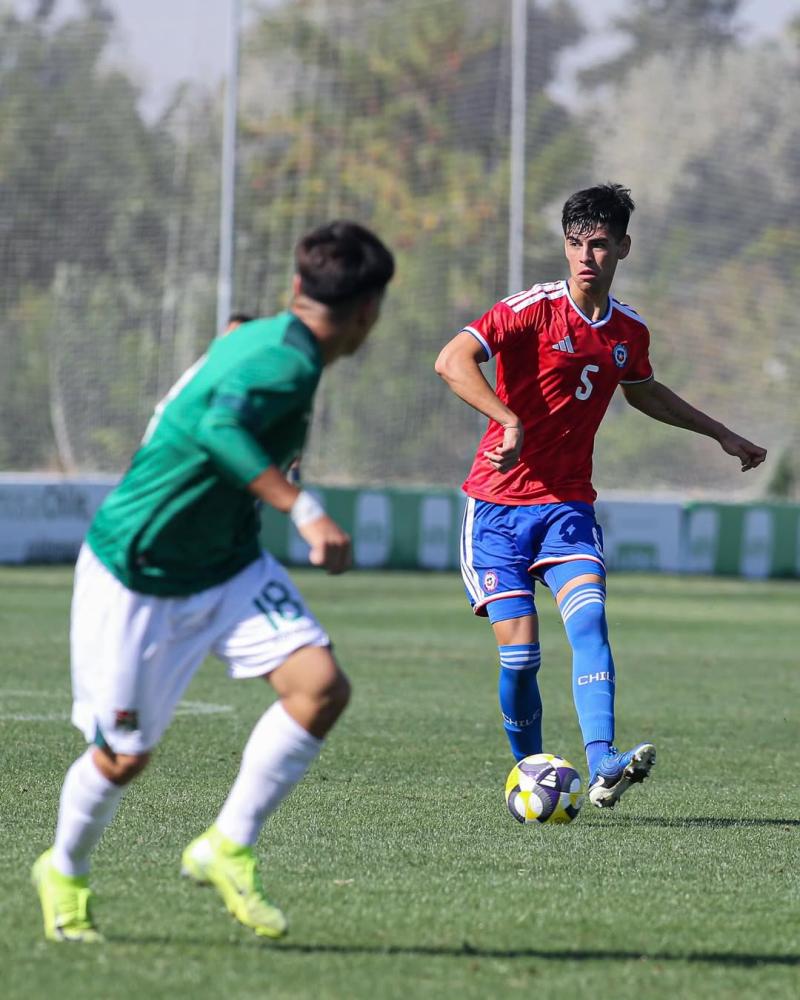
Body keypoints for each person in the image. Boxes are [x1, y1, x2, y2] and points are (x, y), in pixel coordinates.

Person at [32, 220, 395, 943]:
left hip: (226, 563)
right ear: (368, 313)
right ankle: (63, 871)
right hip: (141, 570)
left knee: (319, 687)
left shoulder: (267, 340)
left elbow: (230, 378)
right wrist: (304, 509)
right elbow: (219, 430)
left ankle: (226, 846)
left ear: (296, 287)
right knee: (123, 756)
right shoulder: (285, 364)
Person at [434, 183, 766, 809]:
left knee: (588, 622)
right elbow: (452, 361)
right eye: (575, 243)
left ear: (623, 248)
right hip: (497, 509)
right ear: (565, 247)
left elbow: (643, 391)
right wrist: (507, 419)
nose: (586, 256)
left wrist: (721, 433)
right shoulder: (530, 309)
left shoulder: (628, 330)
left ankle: (603, 762)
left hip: (567, 507)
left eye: (600, 244)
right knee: (522, 658)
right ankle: (529, 770)